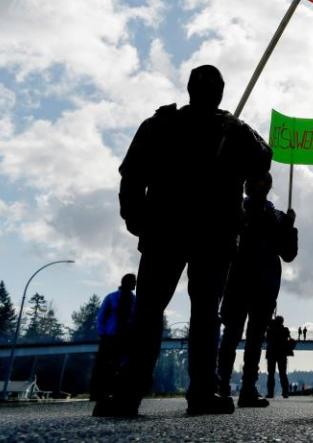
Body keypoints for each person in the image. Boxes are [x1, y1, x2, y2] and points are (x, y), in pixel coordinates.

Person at [97, 65, 272, 418]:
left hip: (184, 232)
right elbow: (132, 172)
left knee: (161, 312)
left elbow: (260, 164)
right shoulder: (178, 126)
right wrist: (135, 217)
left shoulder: (176, 126)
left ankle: (138, 391)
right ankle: (193, 391)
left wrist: (134, 216)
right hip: (188, 232)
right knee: (190, 313)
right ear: (213, 92)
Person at [217, 172, 298, 408]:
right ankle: (224, 385)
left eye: (262, 182)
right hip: (242, 281)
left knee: (249, 338)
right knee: (236, 335)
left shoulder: (278, 217)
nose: (257, 186)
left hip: (260, 284)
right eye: (254, 182)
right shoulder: (238, 210)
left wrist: (290, 229)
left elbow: (288, 253)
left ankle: (245, 387)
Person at [90, 273, 136, 401]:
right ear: (125, 282)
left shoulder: (134, 300)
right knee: (104, 365)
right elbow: (101, 316)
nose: (134, 284)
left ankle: (117, 392)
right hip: (110, 336)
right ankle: (98, 392)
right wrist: (103, 333)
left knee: (121, 365)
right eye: (133, 281)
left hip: (126, 337)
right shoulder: (111, 298)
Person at [265, 317, 293, 399]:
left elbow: (267, 339)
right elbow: (288, 337)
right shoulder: (285, 330)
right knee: (283, 374)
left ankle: (270, 393)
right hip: (282, 354)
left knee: (271, 374)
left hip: (271, 353)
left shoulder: (270, 330)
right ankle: (285, 392)